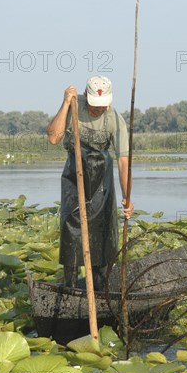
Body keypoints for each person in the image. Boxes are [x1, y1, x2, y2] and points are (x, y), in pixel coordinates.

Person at [47, 75, 134, 289]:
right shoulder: (74, 108)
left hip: (101, 185)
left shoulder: (115, 119)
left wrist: (127, 197)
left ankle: (101, 286)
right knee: (71, 229)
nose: (99, 110)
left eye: (103, 106)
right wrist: (66, 103)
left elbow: (124, 162)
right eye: (95, 105)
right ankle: (69, 286)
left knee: (103, 235)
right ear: (86, 96)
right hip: (74, 181)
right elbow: (53, 137)